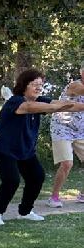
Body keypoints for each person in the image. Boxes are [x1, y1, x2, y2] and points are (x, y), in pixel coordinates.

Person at [0, 69, 84, 226]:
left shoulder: (40, 100)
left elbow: (63, 105)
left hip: (25, 150)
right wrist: (59, 106)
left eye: (41, 84)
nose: (39, 87)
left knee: (37, 177)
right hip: (5, 150)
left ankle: (25, 212)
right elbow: (44, 107)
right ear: (24, 85)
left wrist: (74, 106)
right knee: (11, 180)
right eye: (34, 84)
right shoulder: (16, 102)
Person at [47, 66, 84, 207]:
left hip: (80, 130)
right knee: (67, 163)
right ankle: (54, 197)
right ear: (82, 73)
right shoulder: (75, 85)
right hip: (62, 128)